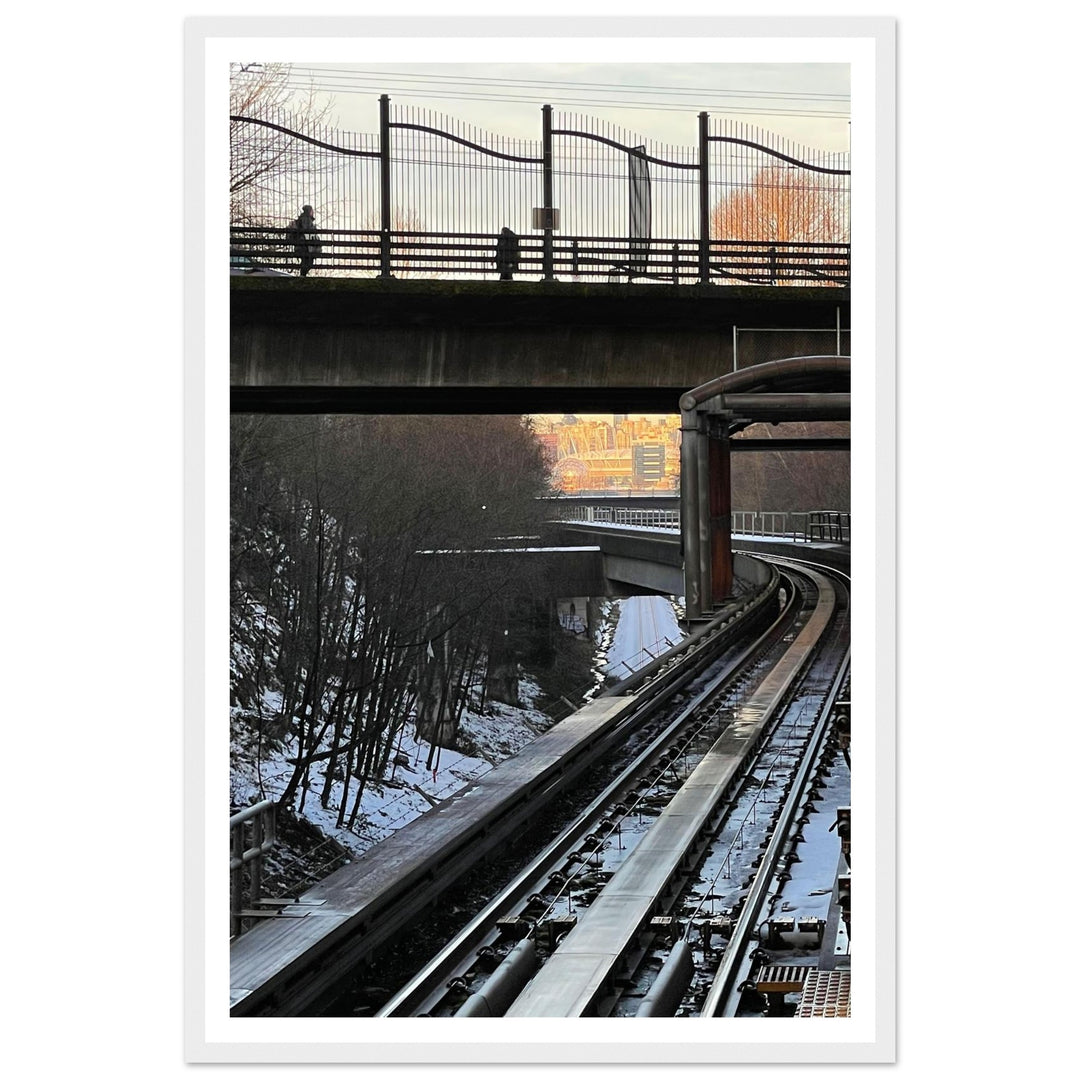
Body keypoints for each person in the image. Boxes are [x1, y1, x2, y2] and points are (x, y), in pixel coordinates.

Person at [292, 204, 321, 277]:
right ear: (309, 211)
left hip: (303, 245)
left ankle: (302, 275)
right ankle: (302, 276)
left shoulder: (302, 219)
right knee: (308, 261)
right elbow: (307, 230)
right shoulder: (306, 219)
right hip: (306, 245)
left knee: (306, 261)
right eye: (312, 211)